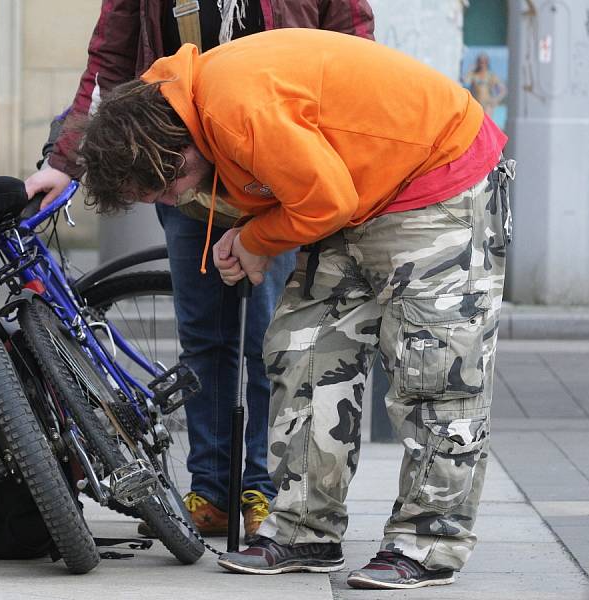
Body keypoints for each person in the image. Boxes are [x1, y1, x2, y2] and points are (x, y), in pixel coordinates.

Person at [76, 28, 513, 590]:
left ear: (176, 150)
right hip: (363, 192)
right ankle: (305, 530)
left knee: (435, 370)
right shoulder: (174, 103)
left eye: (168, 188)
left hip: (438, 180)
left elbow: (325, 199)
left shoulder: (234, 110)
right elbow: (316, 192)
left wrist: (257, 241)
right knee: (303, 353)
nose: (175, 202)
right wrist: (250, 235)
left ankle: (425, 542)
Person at [25, 0, 374, 542]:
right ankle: (211, 490)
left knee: (268, 338)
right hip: (179, 163)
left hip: (276, 161)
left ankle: (267, 489)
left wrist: (338, 147)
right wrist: (64, 161)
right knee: (204, 339)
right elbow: (109, 63)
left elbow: (353, 48)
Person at [464, 52, 506, 118]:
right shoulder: (473, 75)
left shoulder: (491, 76)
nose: (482, 64)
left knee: (486, 125)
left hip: (487, 106)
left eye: (484, 62)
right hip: (475, 105)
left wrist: (495, 100)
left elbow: (503, 90)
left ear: (487, 62)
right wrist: (470, 68)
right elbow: (465, 80)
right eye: (480, 61)